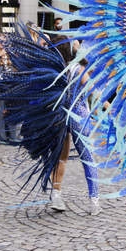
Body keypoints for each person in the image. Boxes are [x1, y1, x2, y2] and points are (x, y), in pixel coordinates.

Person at [48, 39, 101, 215]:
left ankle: (56, 195)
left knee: (61, 157)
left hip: (60, 117)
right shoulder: (78, 69)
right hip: (79, 116)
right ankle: (94, 201)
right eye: (77, 44)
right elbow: (93, 90)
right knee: (87, 158)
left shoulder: (56, 70)